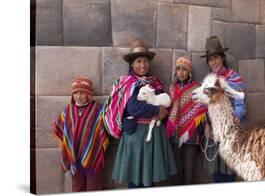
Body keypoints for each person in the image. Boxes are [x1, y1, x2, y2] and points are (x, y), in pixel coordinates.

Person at [103, 38, 177, 188]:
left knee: (150, 179)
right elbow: (133, 107)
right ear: (132, 64)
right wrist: (157, 110)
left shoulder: (154, 82)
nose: (142, 65)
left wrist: (163, 109)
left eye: (145, 61)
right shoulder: (128, 82)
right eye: (138, 61)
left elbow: (164, 101)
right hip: (136, 135)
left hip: (154, 136)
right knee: (135, 179)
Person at [201, 35, 247, 183]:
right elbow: (206, 105)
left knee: (228, 173)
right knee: (217, 173)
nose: (213, 62)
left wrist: (236, 117)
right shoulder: (209, 80)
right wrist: (207, 124)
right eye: (210, 59)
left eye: (216, 58)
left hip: (230, 131)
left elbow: (240, 102)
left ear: (222, 58)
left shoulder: (233, 77)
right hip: (215, 133)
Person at [52, 77, 109, 192]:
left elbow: (105, 130)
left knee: (93, 188)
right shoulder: (68, 110)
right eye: (75, 93)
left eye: (82, 93)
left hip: (93, 157)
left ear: (89, 94)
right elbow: (60, 130)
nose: (78, 96)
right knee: (77, 188)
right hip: (75, 159)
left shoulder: (98, 109)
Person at [166, 57, 208, 184]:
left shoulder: (197, 88)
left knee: (189, 169)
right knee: (176, 169)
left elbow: (202, 108)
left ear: (189, 72)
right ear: (175, 72)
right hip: (175, 134)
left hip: (191, 134)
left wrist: (198, 128)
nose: (181, 72)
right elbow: (169, 108)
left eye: (184, 69)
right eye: (178, 69)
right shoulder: (172, 89)